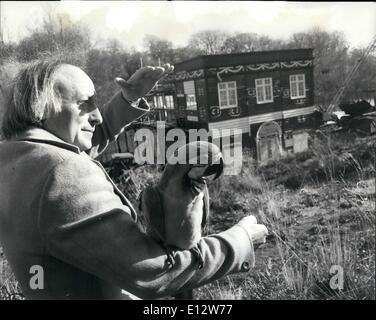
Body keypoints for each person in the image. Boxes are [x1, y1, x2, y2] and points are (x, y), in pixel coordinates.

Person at [0, 57, 268, 300]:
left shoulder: (16, 158)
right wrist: (240, 241)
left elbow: (79, 143)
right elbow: (153, 273)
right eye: (85, 104)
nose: (97, 115)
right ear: (42, 107)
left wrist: (127, 100)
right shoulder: (61, 173)